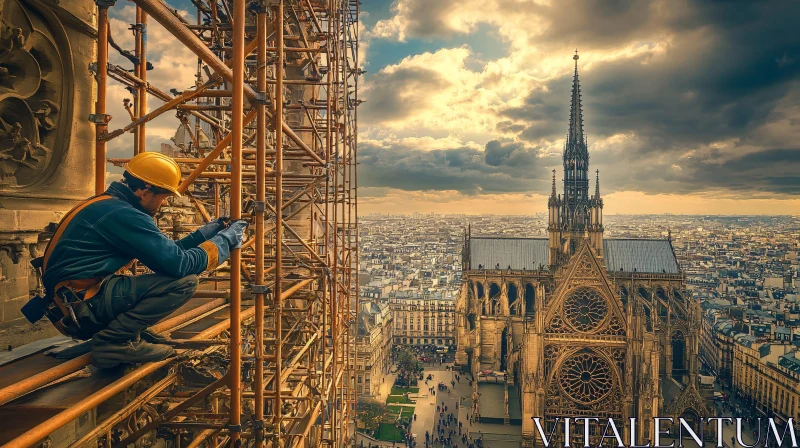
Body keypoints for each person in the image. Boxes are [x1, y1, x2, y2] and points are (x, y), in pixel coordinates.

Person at [23, 152, 246, 369]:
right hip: (83, 306)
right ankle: (114, 341)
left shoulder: (110, 205)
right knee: (184, 282)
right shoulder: (123, 214)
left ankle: (127, 334)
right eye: (163, 196)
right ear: (145, 191)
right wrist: (223, 243)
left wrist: (203, 235)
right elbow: (179, 265)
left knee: (170, 274)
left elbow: (164, 256)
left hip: (74, 302)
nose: (164, 203)